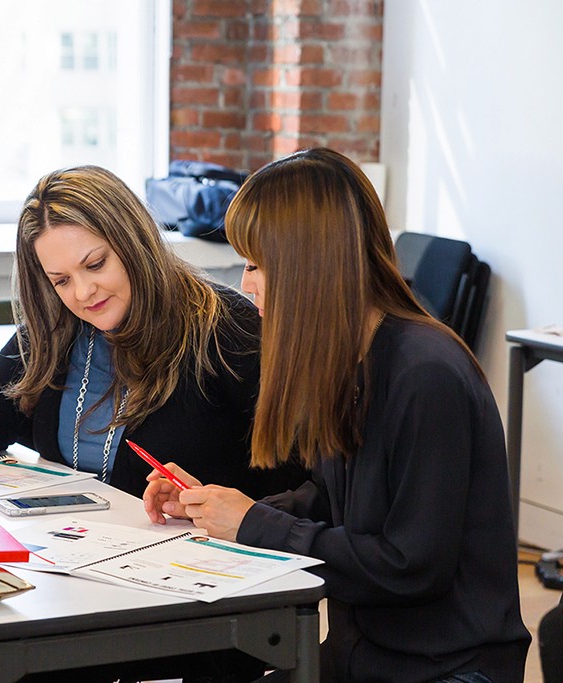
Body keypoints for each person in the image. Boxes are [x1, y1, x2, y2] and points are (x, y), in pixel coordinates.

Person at [143, 148, 531, 682]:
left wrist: (255, 525)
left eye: (255, 264)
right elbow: (329, 501)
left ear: (309, 263)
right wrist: (215, 510)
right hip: (365, 656)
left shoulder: (426, 374)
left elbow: (411, 568)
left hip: (445, 669)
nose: (246, 283)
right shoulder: (348, 361)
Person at [0, 165, 306, 682]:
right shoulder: (56, 329)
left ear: (132, 242)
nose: (83, 292)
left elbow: (302, 472)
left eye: (95, 264)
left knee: (13, 658)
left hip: (198, 594)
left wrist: (224, 504)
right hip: (80, 575)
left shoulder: (223, 327)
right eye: (61, 280)